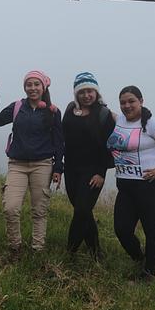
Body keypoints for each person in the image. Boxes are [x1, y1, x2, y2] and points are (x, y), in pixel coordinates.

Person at [0, 71, 64, 259]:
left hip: (43, 164)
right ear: (24, 87)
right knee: (10, 207)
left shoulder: (52, 111)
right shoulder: (17, 107)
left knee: (39, 210)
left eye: (37, 84)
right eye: (29, 84)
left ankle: (38, 249)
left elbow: (59, 142)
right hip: (17, 165)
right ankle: (15, 247)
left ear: (43, 87)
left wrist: (58, 168)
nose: (33, 88)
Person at [107, 85, 155, 280]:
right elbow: (109, 112)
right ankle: (140, 258)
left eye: (131, 101)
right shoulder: (120, 119)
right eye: (123, 102)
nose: (127, 105)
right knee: (122, 229)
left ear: (141, 101)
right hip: (125, 186)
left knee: (151, 230)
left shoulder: (150, 123)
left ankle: (149, 272)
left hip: (149, 185)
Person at [62, 72, 115, 261]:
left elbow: (109, 145)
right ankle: (95, 249)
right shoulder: (69, 110)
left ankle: (70, 251)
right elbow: (63, 138)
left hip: (93, 171)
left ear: (96, 92)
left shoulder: (104, 114)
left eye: (90, 91)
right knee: (82, 210)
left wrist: (101, 172)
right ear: (76, 94)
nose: (86, 95)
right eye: (82, 91)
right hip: (71, 169)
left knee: (82, 209)